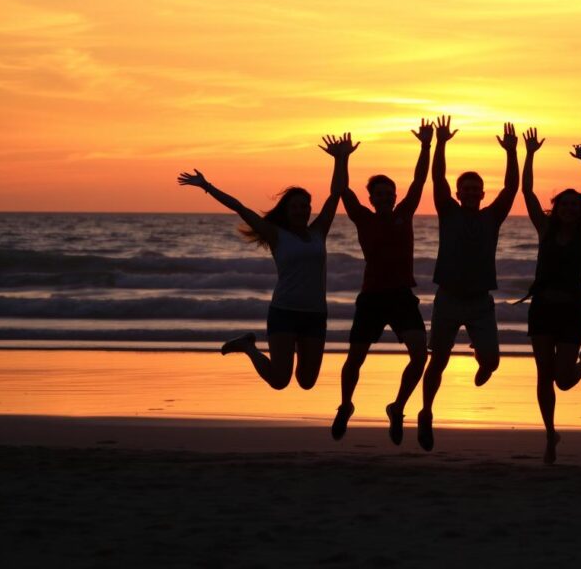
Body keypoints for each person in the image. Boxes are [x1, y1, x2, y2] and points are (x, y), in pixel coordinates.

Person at [174, 133, 352, 390]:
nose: (301, 210)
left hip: (315, 314)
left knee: (307, 382)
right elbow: (239, 207)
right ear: (286, 211)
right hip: (284, 312)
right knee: (280, 380)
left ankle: (269, 346)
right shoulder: (275, 235)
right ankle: (248, 347)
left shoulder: (318, 231)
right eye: (295, 207)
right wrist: (206, 185)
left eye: (305, 206)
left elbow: (336, 194)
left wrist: (341, 159)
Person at [417, 116, 519, 451]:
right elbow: (438, 178)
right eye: (467, 189)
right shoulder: (447, 210)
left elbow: (511, 189)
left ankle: (482, 360)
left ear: (482, 194)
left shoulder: (492, 216)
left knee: (491, 361)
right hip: (447, 299)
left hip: (479, 302)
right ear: (459, 194)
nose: (472, 193)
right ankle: (427, 413)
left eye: (477, 189)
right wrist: (440, 143)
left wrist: (512, 152)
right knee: (439, 360)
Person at [330, 120, 433, 444]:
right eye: (381, 194)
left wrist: (426, 145)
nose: (386, 197)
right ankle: (346, 405)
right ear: (372, 198)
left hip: (402, 296)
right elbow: (341, 191)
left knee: (420, 355)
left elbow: (419, 180)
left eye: (390, 193)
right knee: (355, 358)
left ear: (395, 197)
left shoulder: (405, 212)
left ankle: (397, 406)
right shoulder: (363, 217)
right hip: (372, 297)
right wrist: (341, 158)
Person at [520, 131, 581, 464]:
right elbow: (526, 191)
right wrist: (529, 154)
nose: (570, 208)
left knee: (564, 380)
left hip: (570, 311)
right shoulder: (546, 229)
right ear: (556, 209)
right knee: (544, 375)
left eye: (575, 205)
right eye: (564, 204)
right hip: (541, 309)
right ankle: (549, 435)